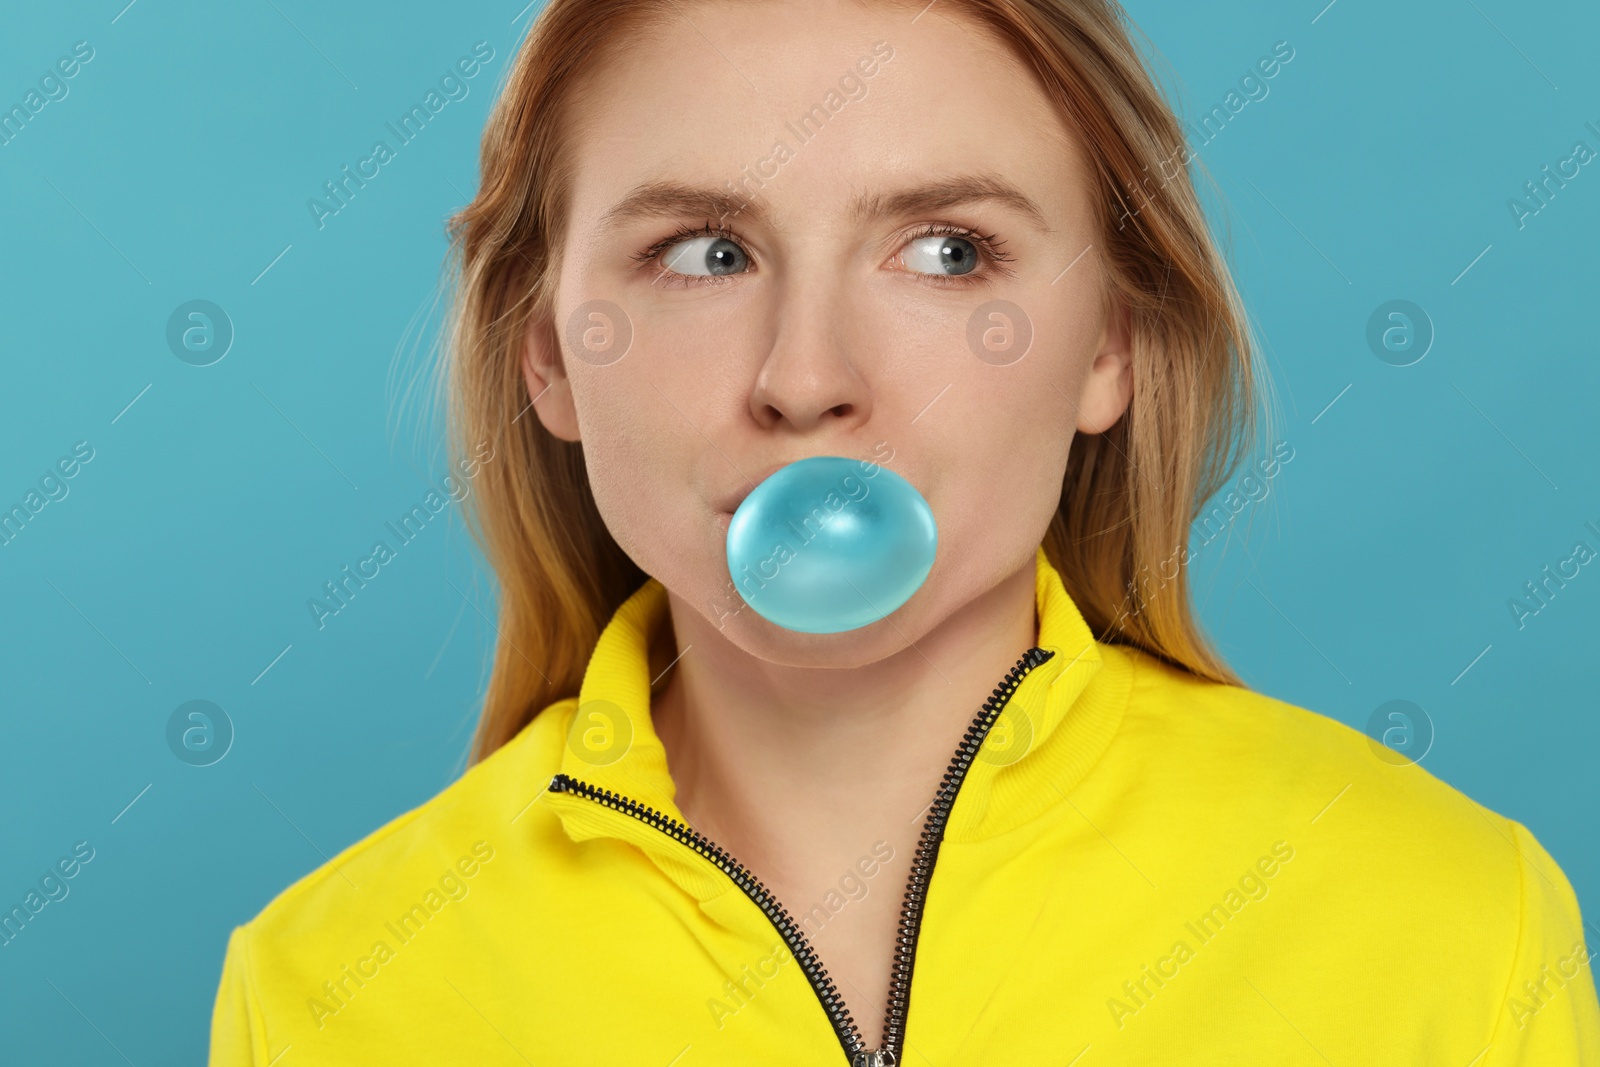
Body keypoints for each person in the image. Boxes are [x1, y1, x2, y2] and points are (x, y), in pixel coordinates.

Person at [209, 0, 1600, 1062]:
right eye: (705, 252)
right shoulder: (329, 991)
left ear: (1110, 342)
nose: (810, 376)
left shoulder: (1450, 919)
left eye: (948, 251)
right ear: (550, 360)